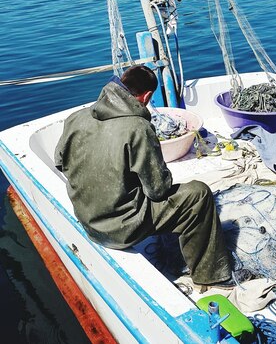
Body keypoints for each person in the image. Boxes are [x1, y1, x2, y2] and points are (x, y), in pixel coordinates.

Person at [54, 65, 233, 289]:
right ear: (147, 96)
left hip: (88, 220)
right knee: (198, 194)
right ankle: (211, 276)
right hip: (122, 230)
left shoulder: (76, 117)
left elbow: (60, 162)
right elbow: (158, 190)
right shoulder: (139, 127)